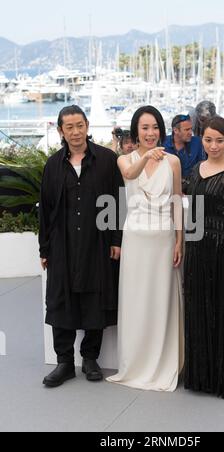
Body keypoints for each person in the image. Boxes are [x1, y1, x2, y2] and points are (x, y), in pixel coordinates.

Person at [39, 105, 124, 388]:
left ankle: (90, 358)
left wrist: (115, 240)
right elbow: (46, 210)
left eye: (79, 125)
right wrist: (44, 248)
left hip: (96, 241)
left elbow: (116, 202)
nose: (75, 132)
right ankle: (64, 362)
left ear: (87, 126)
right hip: (62, 243)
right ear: (61, 131)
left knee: (94, 298)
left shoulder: (107, 160)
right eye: (69, 127)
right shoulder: (53, 165)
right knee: (60, 300)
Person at [107, 105, 184, 391]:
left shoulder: (173, 161)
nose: (151, 133)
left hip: (163, 239)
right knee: (136, 301)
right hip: (136, 238)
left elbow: (177, 201)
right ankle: (136, 364)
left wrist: (180, 240)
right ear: (136, 132)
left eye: (155, 128)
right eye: (145, 128)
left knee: (160, 300)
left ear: (161, 131)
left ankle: (164, 363)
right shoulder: (125, 159)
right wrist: (145, 157)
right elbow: (129, 175)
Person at [184, 116, 224, 399]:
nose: (213, 145)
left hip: (223, 253)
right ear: (202, 139)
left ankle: (221, 379)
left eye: (219, 140)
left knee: (223, 315)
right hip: (197, 251)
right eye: (208, 140)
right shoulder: (195, 170)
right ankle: (199, 378)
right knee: (198, 312)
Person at [163, 114, 206, 193]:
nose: (190, 132)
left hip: (194, 189)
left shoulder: (198, 142)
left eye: (191, 129)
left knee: (200, 204)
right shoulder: (163, 144)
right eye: (186, 130)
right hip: (170, 191)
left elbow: (203, 167)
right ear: (175, 130)